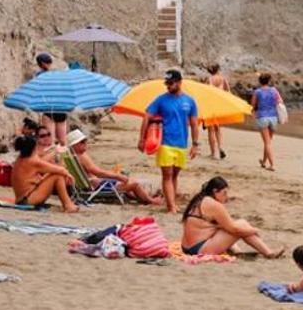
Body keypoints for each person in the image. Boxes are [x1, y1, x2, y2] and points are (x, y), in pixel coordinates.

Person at [138, 69, 199, 213]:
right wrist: (142, 139)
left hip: (182, 143)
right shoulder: (161, 99)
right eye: (167, 83)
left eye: (171, 83)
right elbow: (146, 117)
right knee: (167, 175)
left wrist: (195, 144)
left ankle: (171, 202)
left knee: (175, 175)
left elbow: (194, 124)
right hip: (165, 142)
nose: (168, 86)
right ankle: (171, 206)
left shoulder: (189, 101)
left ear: (179, 82)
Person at [180, 177, 284, 258]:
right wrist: (254, 230)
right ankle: (268, 253)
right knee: (242, 224)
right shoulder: (214, 205)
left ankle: (236, 250)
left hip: (186, 247)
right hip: (198, 249)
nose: (226, 197)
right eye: (224, 193)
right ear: (215, 191)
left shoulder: (199, 199)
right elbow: (234, 229)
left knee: (223, 226)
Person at [67, 129, 162, 206]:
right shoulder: (82, 157)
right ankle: (151, 201)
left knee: (127, 182)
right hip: (99, 186)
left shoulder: (71, 156)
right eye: (82, 142)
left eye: (85, 141)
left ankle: (144, 197)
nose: (86, 143)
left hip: (94, 184)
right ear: (74, 145)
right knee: (134, 184)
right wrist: (118, 176)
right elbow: (98, 173)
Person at [11, 135, 78, 212]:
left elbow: (42, 161)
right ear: (33, 149)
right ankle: (68, 205)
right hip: (27, 200)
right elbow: (59, 170)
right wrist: (68, 175)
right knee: (57, 175)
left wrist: (55, 151)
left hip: (23, 198)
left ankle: (68, 203)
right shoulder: (32, 161)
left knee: (54, 173)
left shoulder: (21, 158)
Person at [251, 73, 284, 171]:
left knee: (267, 143)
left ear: (260, 82)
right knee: (268, 142)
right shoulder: (274, 90)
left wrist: (253, 114)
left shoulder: (257, 92)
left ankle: (272, 165)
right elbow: (280, 101)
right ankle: (264, 162)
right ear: (269, 81)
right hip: (273, 117)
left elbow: (253, 105)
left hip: (262, 117)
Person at [35, 53, 68, 146]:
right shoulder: (58, 74)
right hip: (61, 108)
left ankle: (54, 159)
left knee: (50, 142)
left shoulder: (40, 75)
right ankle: (65, 159)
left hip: (48, 109)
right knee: (63, 141)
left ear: (40, 63)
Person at [205, 63, 231, 160]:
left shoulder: (209, 79)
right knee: (218, 129)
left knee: (211, 130)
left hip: (210, 106)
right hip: (219, 106)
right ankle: (219, 149)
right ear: (218, 69)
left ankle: (213, 153)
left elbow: (204, 92)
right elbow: (228, 92)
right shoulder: (223, 79)